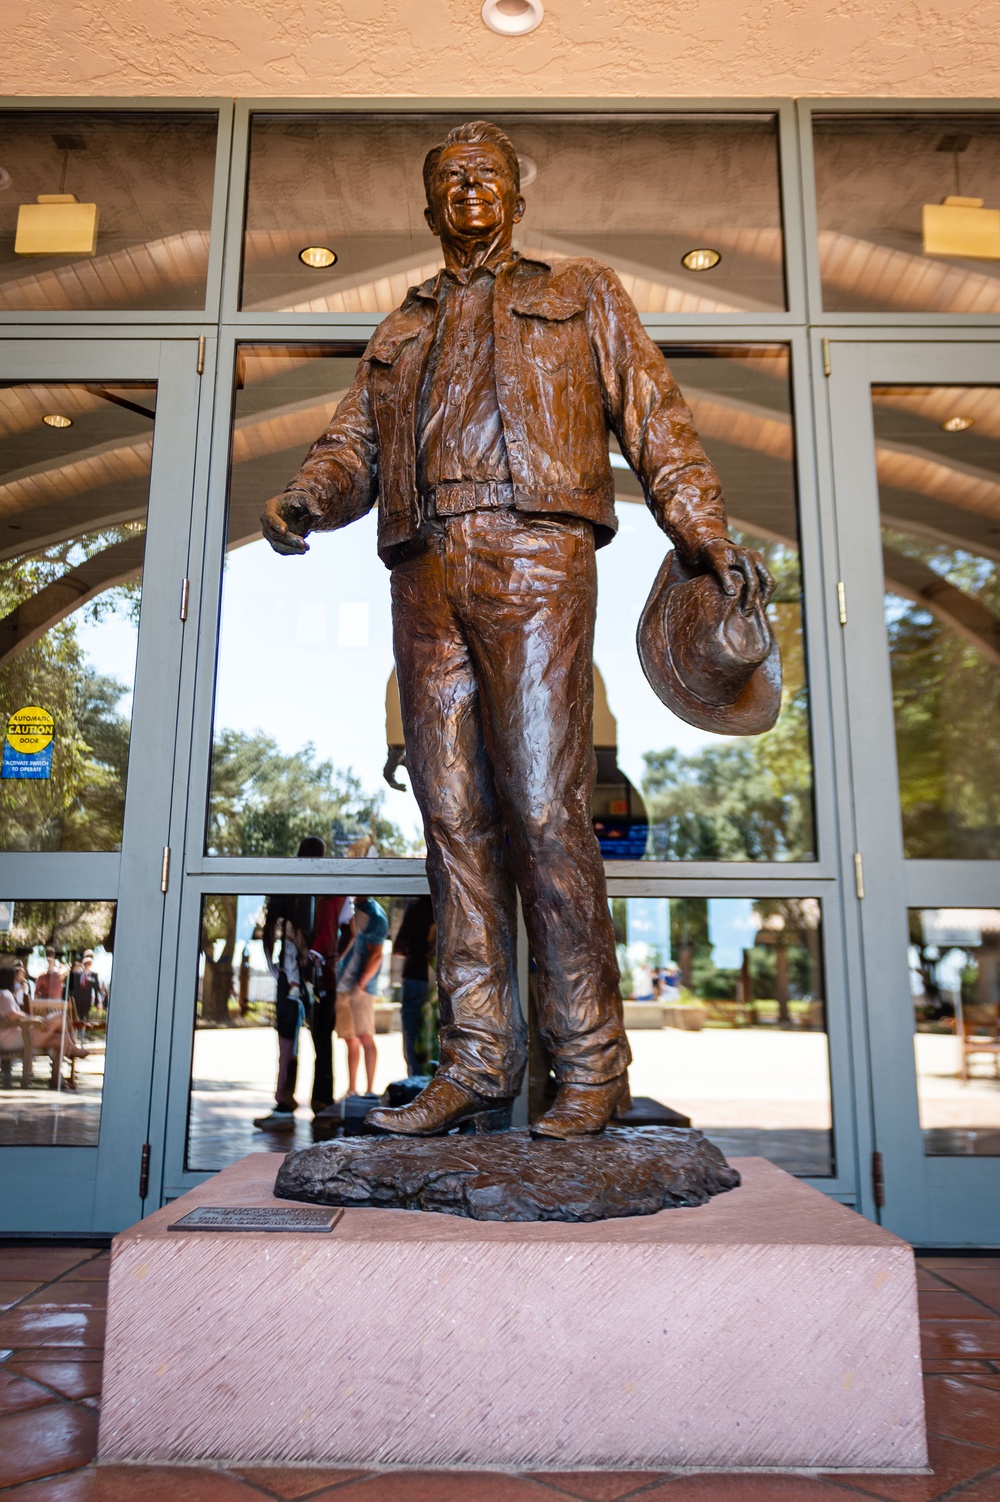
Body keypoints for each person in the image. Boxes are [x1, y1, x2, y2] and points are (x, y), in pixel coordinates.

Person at [262, 120, 772, 1139]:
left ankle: (591, 1062)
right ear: (428, 207)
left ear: (515, 198)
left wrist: (702, 530)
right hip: (422, 570)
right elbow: (351, 443)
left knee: (544, 810)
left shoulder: (581, 291)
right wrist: (308, 500)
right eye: (449, 179)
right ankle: (477, 1060)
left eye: (486, 175)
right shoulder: (401, 325)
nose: (469, 191)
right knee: (452, 822)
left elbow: (656, 417)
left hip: (535, 555)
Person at [253, 834, 325, 1131]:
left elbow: (270, 926)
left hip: (295, 974)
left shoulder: (291, 881)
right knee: (303, 1038)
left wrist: (274, 964)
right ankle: (296, 1100)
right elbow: (273, 926)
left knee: (289, 1038)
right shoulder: (316, 884)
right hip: (308, 974)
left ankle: (286, 1101)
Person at [336, 894, 388, 1096]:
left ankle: (369, 1090)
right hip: (343, 985)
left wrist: (361, 984)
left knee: (365, 1036)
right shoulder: (348, 909)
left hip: (361, 988)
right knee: (350, 1039)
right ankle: (352, 1089)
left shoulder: (375, 915)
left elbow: (376, 954)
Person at [308, 893, 352, 1112]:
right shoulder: (331, 897)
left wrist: (334, 958)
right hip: (323, 975)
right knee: (321, 1040)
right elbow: (350, 930)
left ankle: (322, 1097)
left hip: (322, 977)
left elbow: (350, 931)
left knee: (322, 1039)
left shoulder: (332, 897)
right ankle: (321, 1097)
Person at [0, 963, 86, 1073]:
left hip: (15, 1036)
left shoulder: (3, 994)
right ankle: (73, 1046)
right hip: (13, 1038)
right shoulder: (5, 994)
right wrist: (36, 1021)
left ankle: (56, 1078)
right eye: (15, 978)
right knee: (60, 1017)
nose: (17, 980)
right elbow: (12, 1015)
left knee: (60, 1039)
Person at [393, 895, 436, 1077]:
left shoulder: (416, 909)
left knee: (412, 1032)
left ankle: (417, 1082)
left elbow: (398, 948)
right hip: (440, 978)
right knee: (436, 1032)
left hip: (415, 973)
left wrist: (414, 949)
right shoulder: (447, 906)